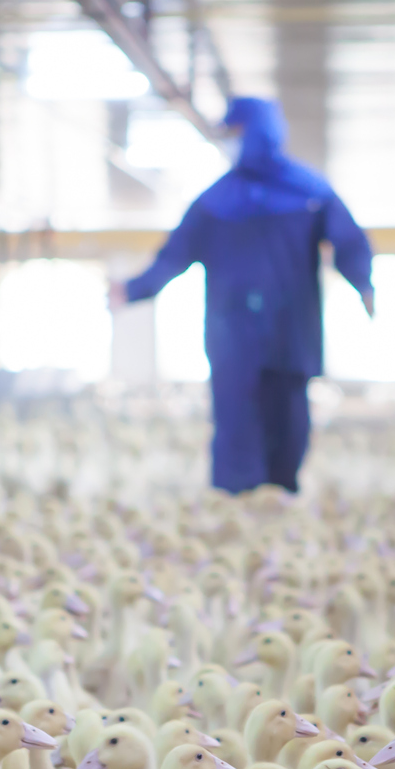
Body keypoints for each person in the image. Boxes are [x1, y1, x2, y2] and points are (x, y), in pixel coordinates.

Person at [112, 97, 374, 494]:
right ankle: (239, 522)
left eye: (234, 134)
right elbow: (174, 257)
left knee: (288, 430)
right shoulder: (214, 203)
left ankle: (280, 505)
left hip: (288, 336)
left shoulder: (310, 194)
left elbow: (348, 241)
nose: (231, 143)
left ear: (258, 133)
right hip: (235, 340)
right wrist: (132, 290)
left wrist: (364, 283)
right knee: (236, 429)